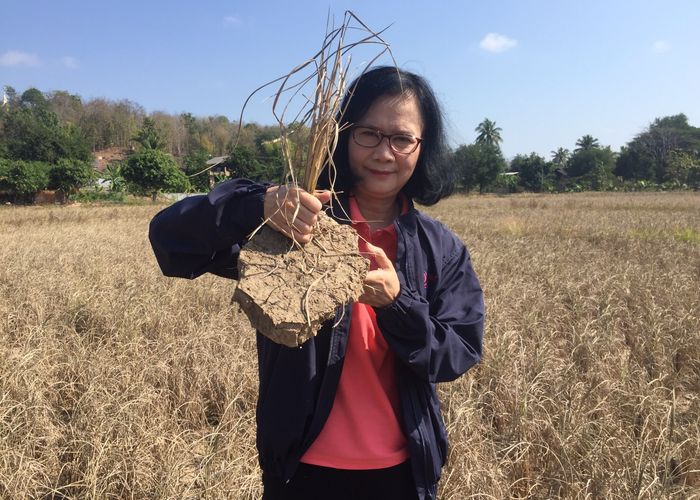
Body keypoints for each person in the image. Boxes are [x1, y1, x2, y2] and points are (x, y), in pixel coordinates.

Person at [149, 66, 484, 500]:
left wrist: (396, 304)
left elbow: (457, 353)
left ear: (422, 147)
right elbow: (171, 243)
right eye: (369, 134)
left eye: (402, 139)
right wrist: (257, 206)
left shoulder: (440, 248)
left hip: (404, 474)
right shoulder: (295, 226)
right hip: (301, 471)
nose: (385, 153)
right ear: (343, 136)